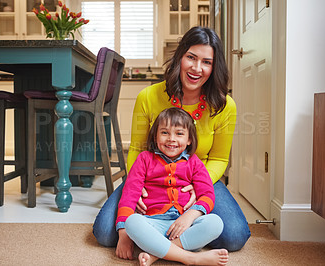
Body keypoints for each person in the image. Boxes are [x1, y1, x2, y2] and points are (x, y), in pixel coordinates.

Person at [93, 26, 251, 252]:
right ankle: (176, 235)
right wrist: (136, 186)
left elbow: (219, 158)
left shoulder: (225, 106)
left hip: (201, 177)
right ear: (180, 57)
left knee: (234, 237)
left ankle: (160, 237)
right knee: (107, 233)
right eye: (191, 58)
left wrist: (198, 191)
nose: (197, 68)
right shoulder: (148, 97)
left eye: (206, 62)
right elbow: (137, 148)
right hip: (152, 176)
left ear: (214, 67)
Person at [116, 107, 229, 265]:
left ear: (189, 139)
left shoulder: (194, 162)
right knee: (132, 222)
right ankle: (191, 258)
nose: (171, 139)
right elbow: (129, 195)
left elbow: (207, 195)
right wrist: (123, 235)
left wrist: (189, 216)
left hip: (183, 224)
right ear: (155, 137)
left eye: (179, 133)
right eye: (164, 133)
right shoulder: (144, 159)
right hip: (152, 222)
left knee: (215, 223)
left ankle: (156, 253)